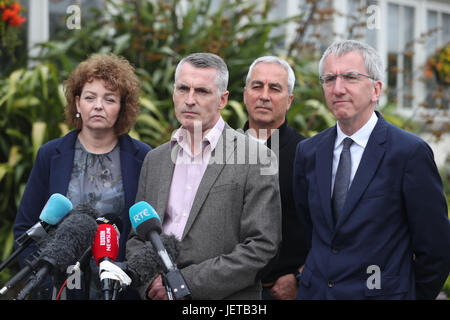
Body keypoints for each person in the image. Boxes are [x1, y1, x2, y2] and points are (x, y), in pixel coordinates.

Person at [293, 39, 450, 300]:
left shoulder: (408, 153)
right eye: (329, 79)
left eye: (351, 78)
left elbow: (435, 247)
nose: (338, 88)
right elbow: (309, 229)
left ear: (376, 89)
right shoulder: (308, 151)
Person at [126, 52, 281, 300]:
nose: (189, 100)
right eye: (183, 89)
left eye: (201, 91)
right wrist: (151, 284)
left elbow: (261, 247)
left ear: (222, 99)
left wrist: (182, 284)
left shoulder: (256, 158)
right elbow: (137, 238)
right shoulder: (154, 160)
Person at [13, 53, 151, 299]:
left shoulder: (142, 157)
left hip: (120, 289)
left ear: (122, 107)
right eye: (90, 97)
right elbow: (26, 228)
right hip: (59, 288)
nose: (98, 105)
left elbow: (147, 233)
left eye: (109, 99)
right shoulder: (50, 155)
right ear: (77, 104)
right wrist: (43, 281)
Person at [242, 56, 308, 300]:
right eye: (257, 86)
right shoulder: (221, 149)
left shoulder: (308, 154)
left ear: (289, 100)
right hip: (224, 292)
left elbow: (330, 230)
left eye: (275, 88)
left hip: (282, 291)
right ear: (245, 93)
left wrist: (301, 276)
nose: (264, 95)